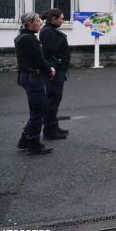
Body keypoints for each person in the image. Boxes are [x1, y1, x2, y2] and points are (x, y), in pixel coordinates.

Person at [15, 12, 56, 155]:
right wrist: (49, 69)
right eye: (37, 21)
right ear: (29, 24)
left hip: (26, 76)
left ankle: (25, 140)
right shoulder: (28, 39)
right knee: (39, 111)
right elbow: (37, 60)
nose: (40, 23)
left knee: (37, 110)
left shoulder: (22, 37)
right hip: (33, 78)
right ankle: (34, 144)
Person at [39, 8, 70, 140]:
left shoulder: (51, 31)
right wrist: (56, 65)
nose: (63, 21)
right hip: (54, 71)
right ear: (53, 19)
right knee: (52, 100)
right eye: (61, 18)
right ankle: (49, 131)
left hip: (58, 70)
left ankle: (54, 126)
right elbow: (49, 52)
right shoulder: (47, 32)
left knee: (55, 100)